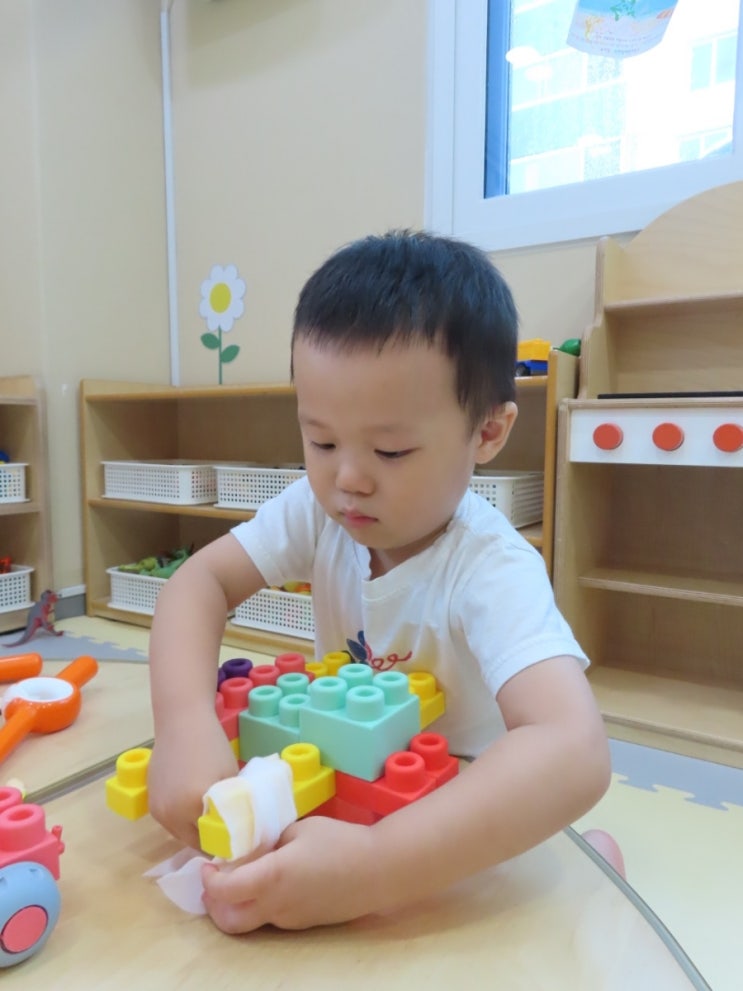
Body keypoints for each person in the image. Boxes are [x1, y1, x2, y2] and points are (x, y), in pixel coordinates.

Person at [147, 229, 612, 934]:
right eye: (322, 440)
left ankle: (591, 867)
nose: (348, 478)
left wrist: (372, 866)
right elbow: (198, 583)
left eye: (390, 450)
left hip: (454, 836)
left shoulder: (490, 567)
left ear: (488, 433)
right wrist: (183, 724)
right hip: (347, 797)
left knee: (533, 926)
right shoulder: (318, 512)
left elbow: (573, 748)